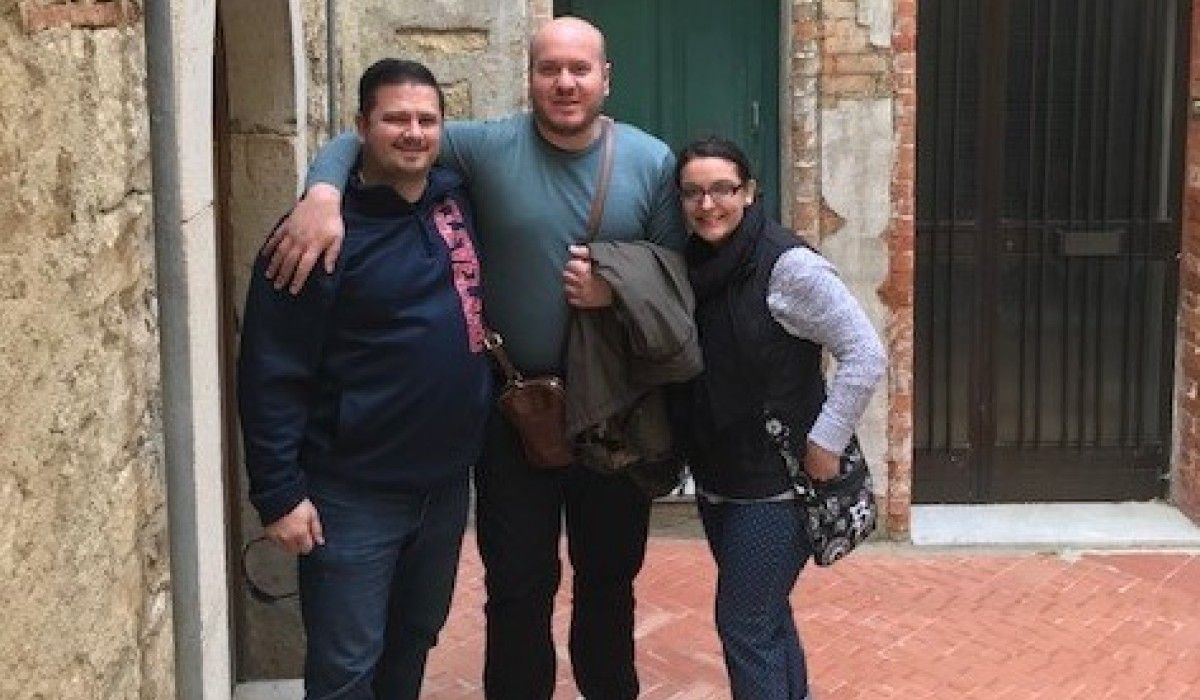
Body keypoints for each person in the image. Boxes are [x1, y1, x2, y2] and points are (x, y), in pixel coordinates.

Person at [264, 17, 684, 700]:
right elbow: (362, 136)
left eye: (580, 69)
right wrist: (322, 192)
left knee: (608, 584)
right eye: (550, 68)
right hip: (513, 415)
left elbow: (673, 282)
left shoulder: (652, 161)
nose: (565, 82)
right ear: (531, 78)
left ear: (606, 78)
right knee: (517, 588)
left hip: (615, 413)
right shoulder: (487, 147)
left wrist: (617, 287)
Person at [236, 58, 491, 700]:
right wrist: (277, 493)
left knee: (413, 640)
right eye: (395, 119)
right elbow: (269, 369)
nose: (412, 132)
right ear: (361, 128)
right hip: (353, 495)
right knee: (347, 666)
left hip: (443, 488)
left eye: (426, 119)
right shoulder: (313, 237)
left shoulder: (454, 198)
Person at [672, 136, 886, 700]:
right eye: (693, 192)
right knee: (763, 616)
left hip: (777, 485)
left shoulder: (787, 267)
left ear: (749, 192)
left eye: (722, 189)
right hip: (721, 476)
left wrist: (827, 441)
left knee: (744, 623)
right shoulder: (696, 262)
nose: (707, 204)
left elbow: (865, 353)